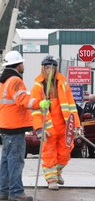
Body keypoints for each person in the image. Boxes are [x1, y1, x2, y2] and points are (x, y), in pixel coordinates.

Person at [0, 51, 50, 201]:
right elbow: (22, 100)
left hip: (7, 126)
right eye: (22, 63)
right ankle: (16, 192)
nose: (24, 65)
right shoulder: (15, 80)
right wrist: (39, 103)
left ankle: (5, 191)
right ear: (18, 64)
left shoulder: (5, 80)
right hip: (15, 127)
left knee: (7, 161)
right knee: (16, 160)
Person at [30, 55, 81, 190]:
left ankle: (57, 172)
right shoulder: (38, 86)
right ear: (43, 68)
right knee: (49, 153)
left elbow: (71, 107)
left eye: (52, 67)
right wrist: (39, 129)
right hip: (48, 128)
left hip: (64, 127)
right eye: (47, 67)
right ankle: (51, 179)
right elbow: (35, 111)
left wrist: (76, 126)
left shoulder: (63, 84)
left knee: (66, 152)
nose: (50, 70)